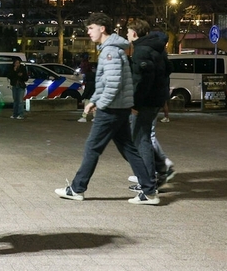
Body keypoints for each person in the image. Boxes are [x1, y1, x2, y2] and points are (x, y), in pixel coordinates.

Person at [55, 13, 158, 204]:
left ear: (102, 28)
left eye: (91, 28)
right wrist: (94, 100)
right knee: (129, 149)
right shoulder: (113, 49)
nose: (88, 32)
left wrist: (100, 103)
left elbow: (112, 84)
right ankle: (149, 191)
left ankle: (77, 189)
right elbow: (105, 83)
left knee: (92, 147)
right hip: (119, 107)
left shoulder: (110, 51)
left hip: (111, 109)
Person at [126, 19, 174, 202]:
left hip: (145, 102)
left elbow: (142, 81)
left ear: (135, 33)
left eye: (128, 32)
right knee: (144, 137)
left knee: (141, 140)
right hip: (156, 100)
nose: (126, 35)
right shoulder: (157, 48)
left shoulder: (141, 51)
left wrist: (135, 104)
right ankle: (157, 173)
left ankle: (148, 185)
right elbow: (169, 68)